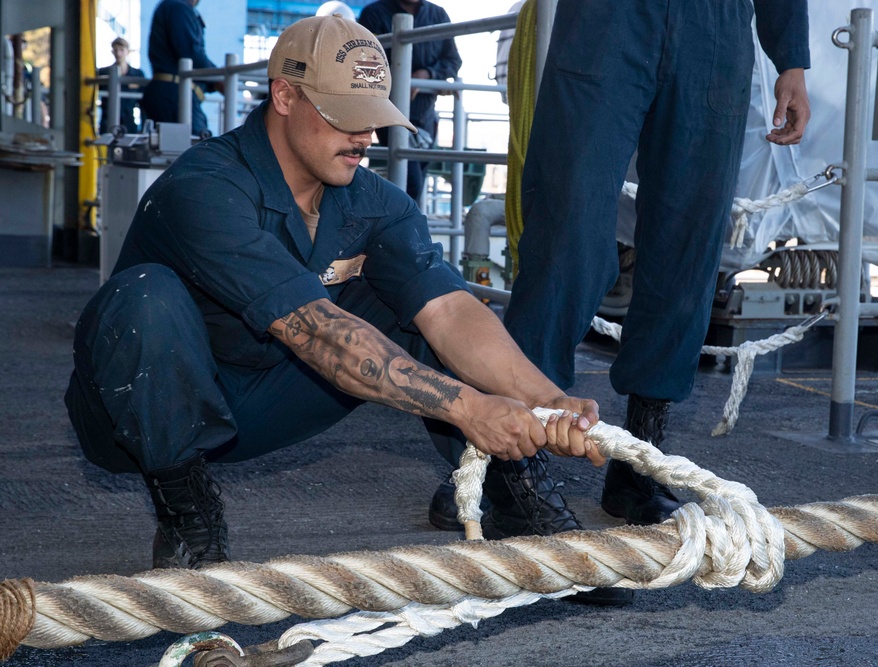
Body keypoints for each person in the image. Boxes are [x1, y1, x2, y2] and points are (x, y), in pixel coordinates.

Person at [64, 17, 606, 597]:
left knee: (413, 296)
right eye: (345, 116)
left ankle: (514, 500)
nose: (365, 137)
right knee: (146, 297)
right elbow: (314, 332)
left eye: (373, 118)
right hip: (148, 417)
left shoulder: (372, 202)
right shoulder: (203, 187)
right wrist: (471, 408)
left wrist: (546, 403)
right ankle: (186, 517)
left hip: (273, 395)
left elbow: (449, 309)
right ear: (285, 95)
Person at [501, 0, 812, 568]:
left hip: (714, 30)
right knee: (564, 235)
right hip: (609, 20)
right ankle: (510, 458)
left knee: (687, 247)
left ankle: (639, 461)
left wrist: (790, 58)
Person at [358, 0, 462, 203]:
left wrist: (427, 74)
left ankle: (397, 230)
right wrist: (403, 79)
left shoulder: (438, 14)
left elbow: (453, 60)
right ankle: (401, 232)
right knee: (410, 182)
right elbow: (362, 63)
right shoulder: (374, 14)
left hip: (426, 115)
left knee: (416, 180)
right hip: (389, 111)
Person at [141, 0, 219, 137]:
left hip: (167, 92)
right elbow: (191, 53)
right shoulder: (178, 8)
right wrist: (218, 77)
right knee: (198, 149)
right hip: (175, 94)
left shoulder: (171, 6)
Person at [97, 37, 145, 135]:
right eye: (115, 50)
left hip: (129, 121)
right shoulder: (103, 73)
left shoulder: (137, 74)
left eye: (121, 50)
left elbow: (143, 102)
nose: (118, 54)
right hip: (107, 120)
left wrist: (143, 126)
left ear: (128, 51)